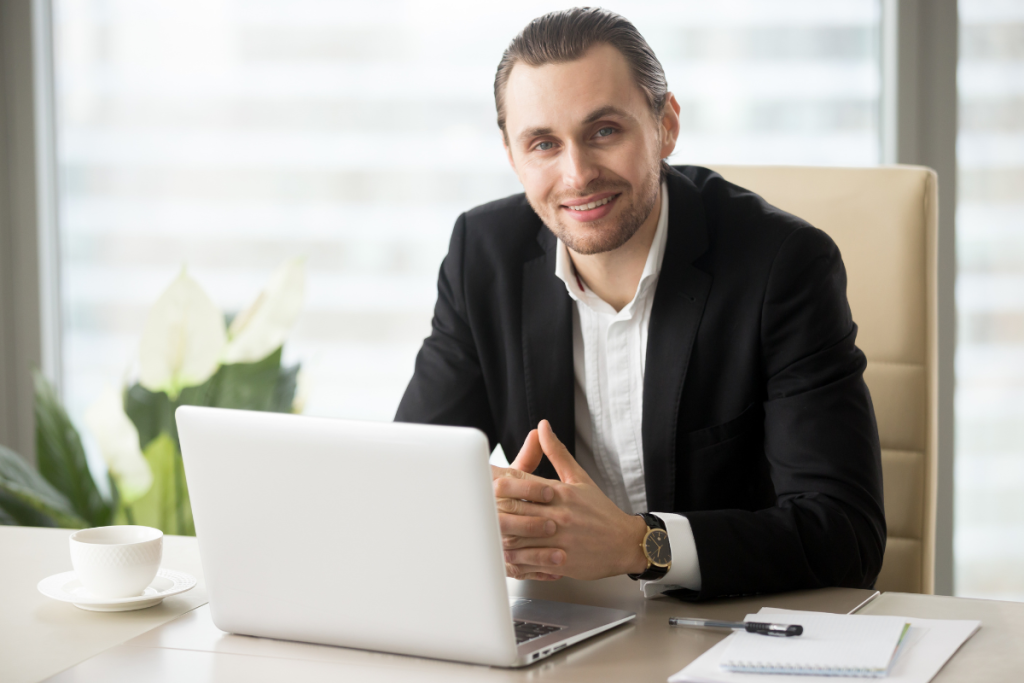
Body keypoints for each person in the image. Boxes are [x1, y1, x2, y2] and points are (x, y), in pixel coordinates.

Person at [396, 7, 885, 601]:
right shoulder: (482, 256)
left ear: (666, 125)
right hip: (563, 625)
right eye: (544, 143)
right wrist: (479, 508)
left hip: (731, 629)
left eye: (604, 131)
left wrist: (640, 544)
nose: (577, 175)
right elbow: (410, 481)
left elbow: (846, 536)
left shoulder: (783, 266)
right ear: (512, 154)